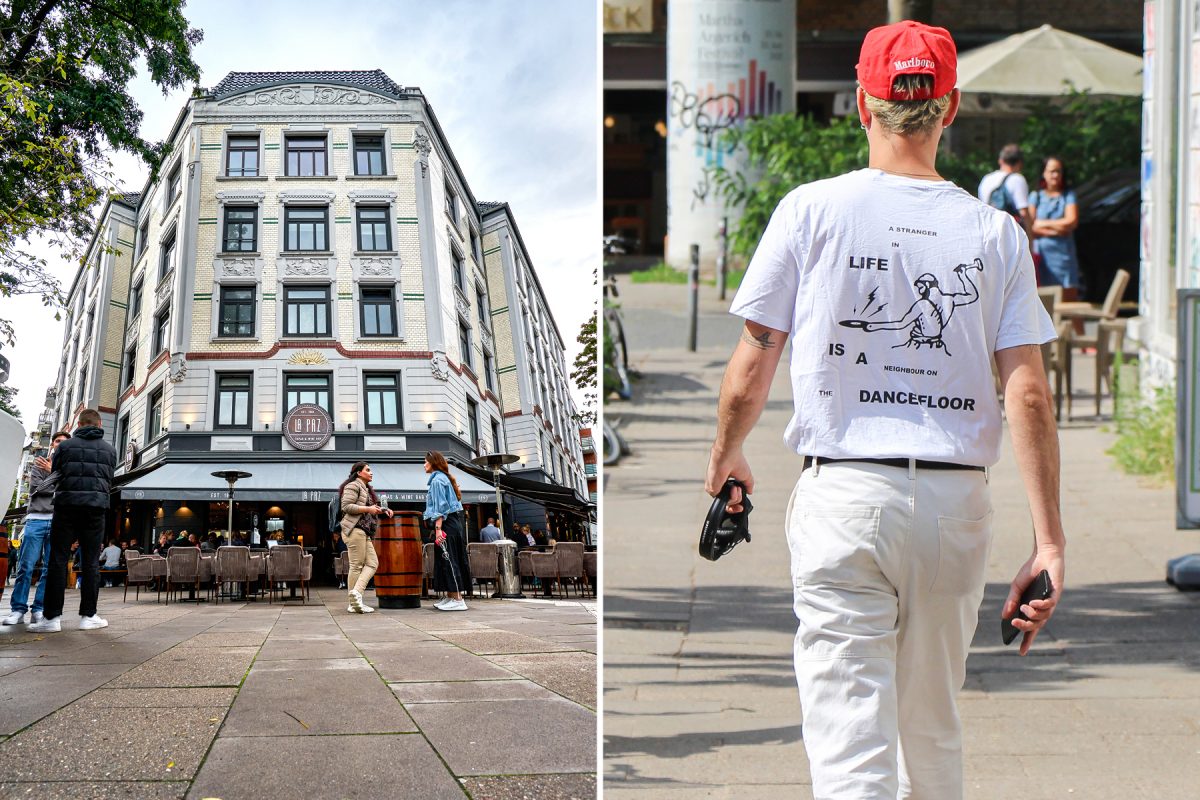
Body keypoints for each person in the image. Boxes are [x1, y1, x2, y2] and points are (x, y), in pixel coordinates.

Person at [704, 21, 1065, 796]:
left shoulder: (810, 212)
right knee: (931, 730)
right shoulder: (996, 234)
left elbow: (753, 360)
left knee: (850, 748)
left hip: (846, 495)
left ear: (862, 107)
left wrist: (727, 453)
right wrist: (1048, 538)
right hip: (953, 503)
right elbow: (1028, 391)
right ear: (951, 108)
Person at [29, 409, 118, 633]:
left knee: (58, 560)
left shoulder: (64, 447)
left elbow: (56, 474)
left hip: (66, 506)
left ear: (79, 424)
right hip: (95, 508)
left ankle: (51, 619)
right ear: (99, 425)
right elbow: (109, 479)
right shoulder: (110, 450)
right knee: (90, 562)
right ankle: (88, 616)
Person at [3, 430, 69, 626]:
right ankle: (18, 610)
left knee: (50, 569)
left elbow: (67, 493)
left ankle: (39, 609)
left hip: (58, 521)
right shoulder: (38, 464)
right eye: (57, 441)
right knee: (26, 566)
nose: (59, 444)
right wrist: (57, 481)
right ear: (52, 444)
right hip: (36, 519)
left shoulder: (68, 468)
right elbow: (36, 490)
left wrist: (52, 475)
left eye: (64, 442)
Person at [340, 461, 392, 614]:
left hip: (364, 531)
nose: (371, 472)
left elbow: (369, 509)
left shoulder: (366, 489)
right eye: (368, 470)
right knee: (357, 565)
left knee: (372, 563)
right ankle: (354, 601)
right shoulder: (353, 485)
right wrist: (368, 508)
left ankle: (356, 595)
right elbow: (346, 506)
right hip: (355, 530)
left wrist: (383, 510)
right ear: (358, 472)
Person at [1029, 155, 1081, 301]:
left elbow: (1072, 221)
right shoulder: (1036, 196)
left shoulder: (1068, 195)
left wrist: (1042, 224)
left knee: (1070, 300)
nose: (1055, 175)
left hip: (1064, 256)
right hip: (1042, 258)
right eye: (1052, 171)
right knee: (1045, 302)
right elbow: (1030, 227)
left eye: (1058, 171)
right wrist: (1057, 229)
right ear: (1043, 173)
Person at [423, 451, 468, 611]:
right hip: (452, 523)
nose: (424, 465)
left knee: (448, 560)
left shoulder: (437, 481)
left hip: (446, 524)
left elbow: (440, 507)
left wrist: (438, 529)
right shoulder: (443, 478)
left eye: (426, 462)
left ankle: (458, 599)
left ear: (433, 463)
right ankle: (451, 596)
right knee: (447, 559)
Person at [978, 142, 1033, 239]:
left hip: (988, 232)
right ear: (1020, 163)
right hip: (1008, 235)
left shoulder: (986, 179)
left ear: (1000, 160)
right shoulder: (1017, 179)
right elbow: (1024, 213)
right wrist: (1030, 239)